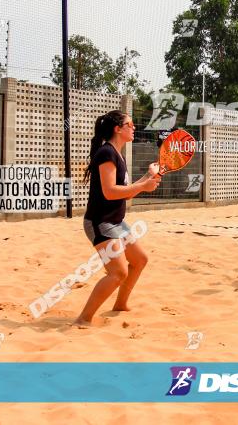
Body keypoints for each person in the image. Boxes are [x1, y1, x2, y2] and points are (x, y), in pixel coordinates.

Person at [75, 110, 161, 327]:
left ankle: (120, 304)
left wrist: (148, 176)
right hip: (100, 222)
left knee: (140, 260)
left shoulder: (118, 154)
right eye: (130, 125)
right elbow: (110, 192)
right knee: (118, 272)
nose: (133, 128)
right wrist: (144, 185)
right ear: (118, 129)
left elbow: (127, 191)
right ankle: (83, 318)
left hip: (115, 221)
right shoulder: (106, 153)